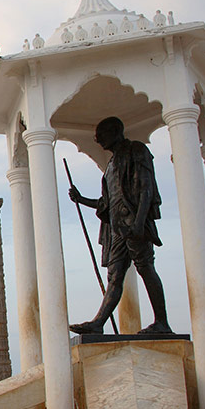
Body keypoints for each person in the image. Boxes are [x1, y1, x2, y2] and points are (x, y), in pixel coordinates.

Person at [68, 116, 172, 335]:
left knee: (145, 267)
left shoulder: (137, 151)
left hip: (134, 222)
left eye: (100, 136)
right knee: (114, 277)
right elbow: (106, 204)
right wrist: (81, 199)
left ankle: (162, 322)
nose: (97, 141)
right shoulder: (110, 167)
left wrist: (140, 221)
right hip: (117, 230)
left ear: (115, 131)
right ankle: (98, 323)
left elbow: (146, 188)